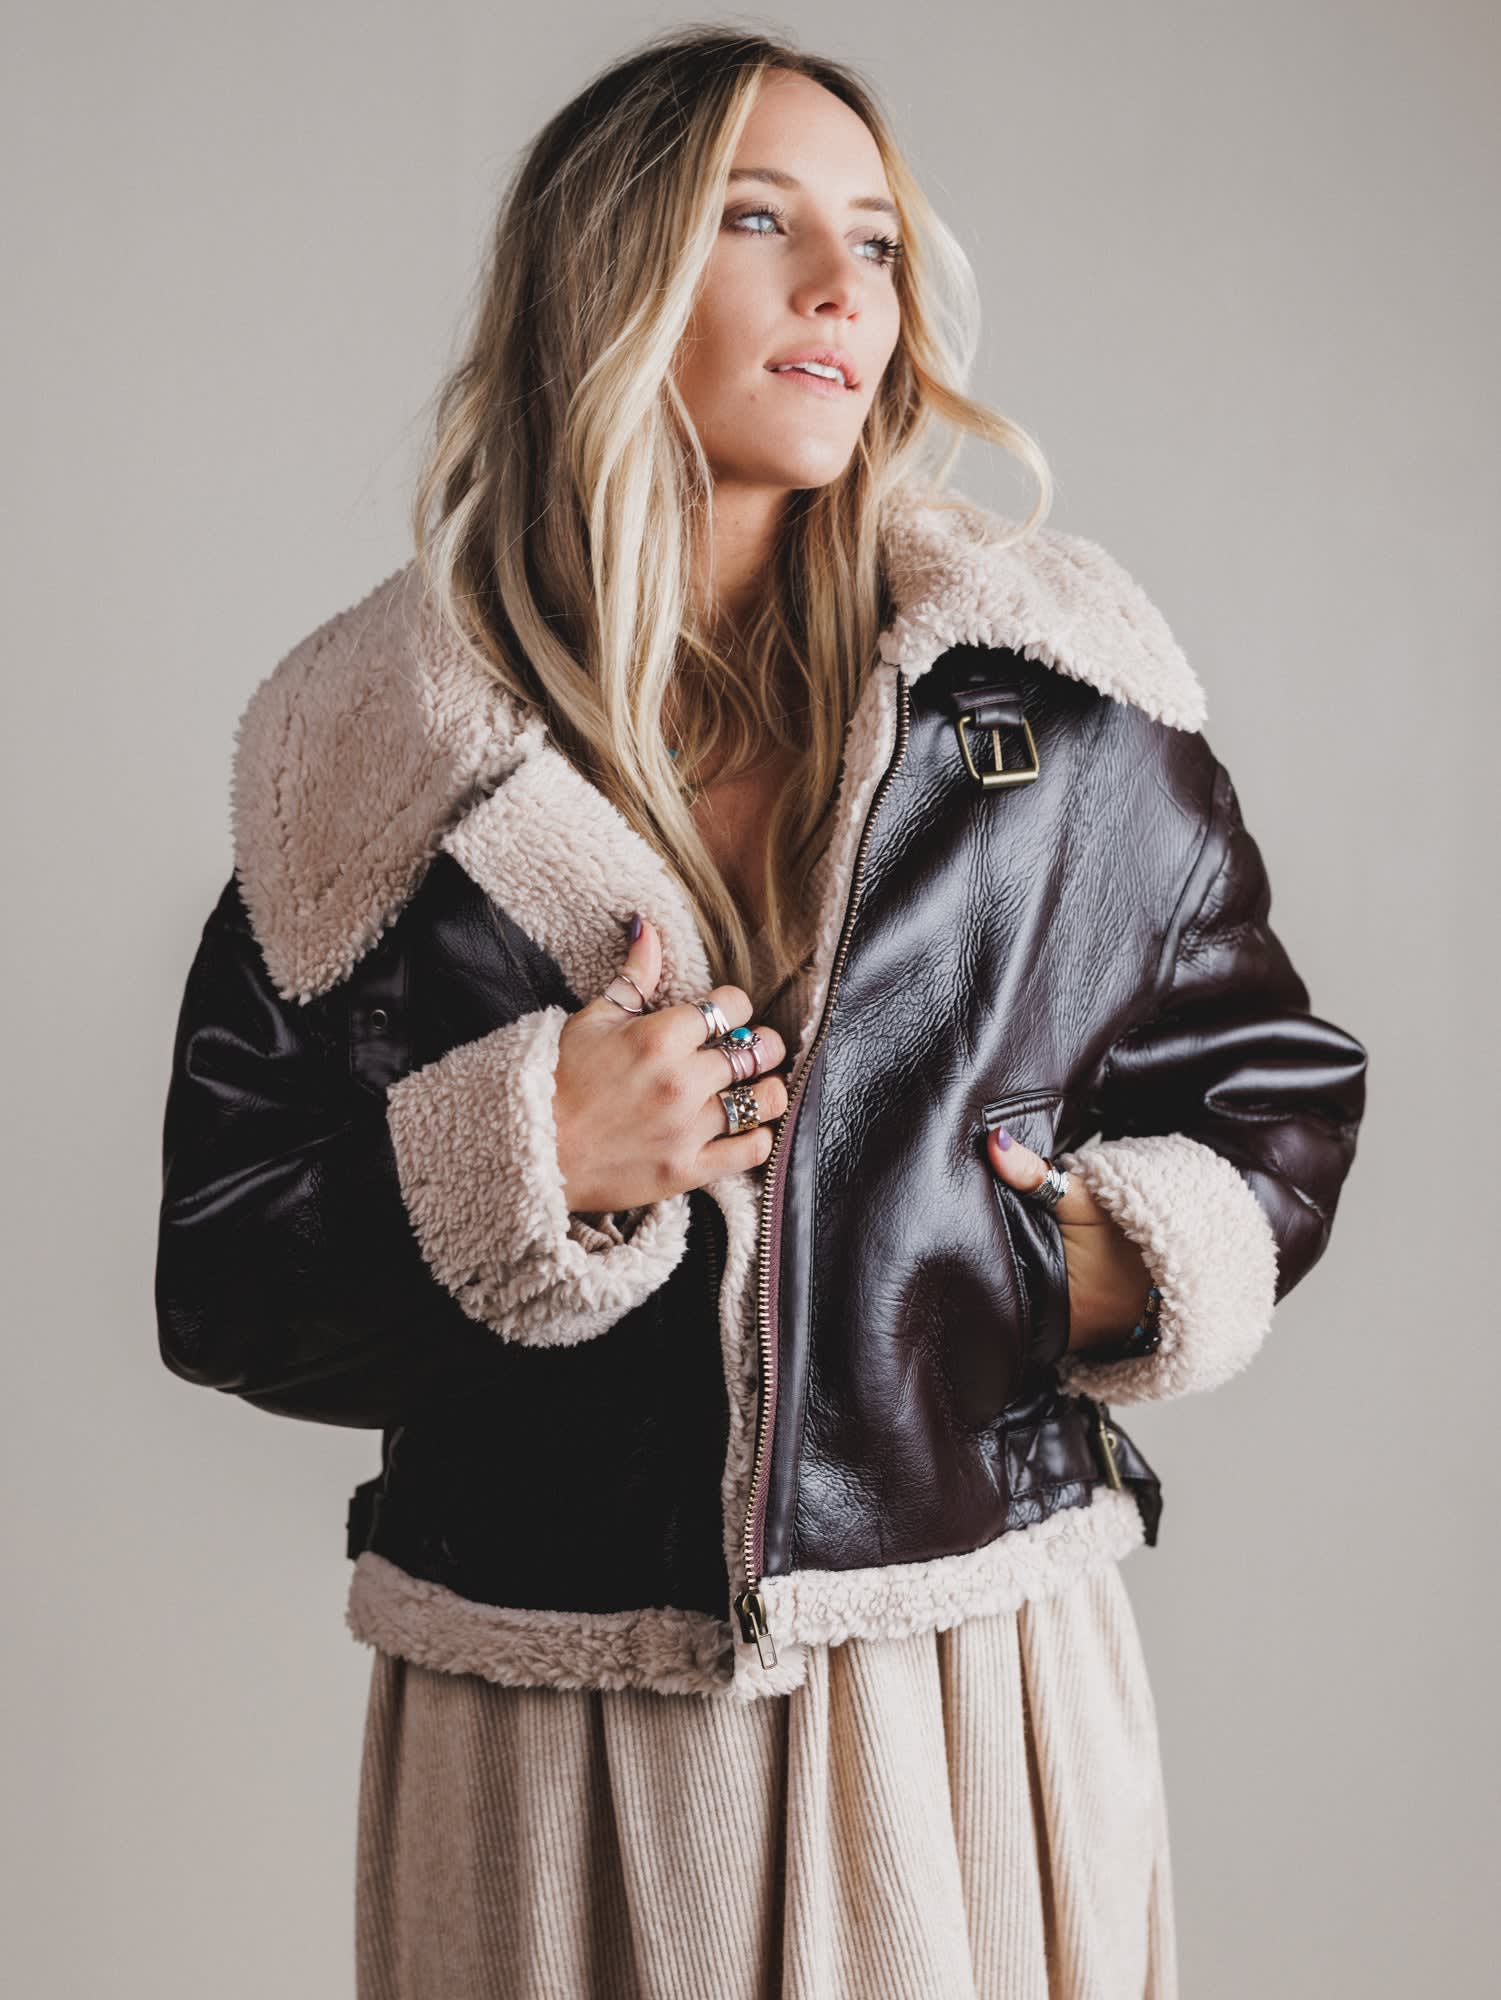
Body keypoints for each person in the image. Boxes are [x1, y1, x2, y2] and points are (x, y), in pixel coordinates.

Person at [153, 25, 1369, 1999]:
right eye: (758, 221)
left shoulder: (1049, 703)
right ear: (605, 276)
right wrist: (533, 1149)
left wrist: (1077, 1262)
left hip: (964, 1681)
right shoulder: (373, 759)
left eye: (874, 243)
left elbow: (1268, 1095)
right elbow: (224, 1276)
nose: (840, 290)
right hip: (546, 1711)